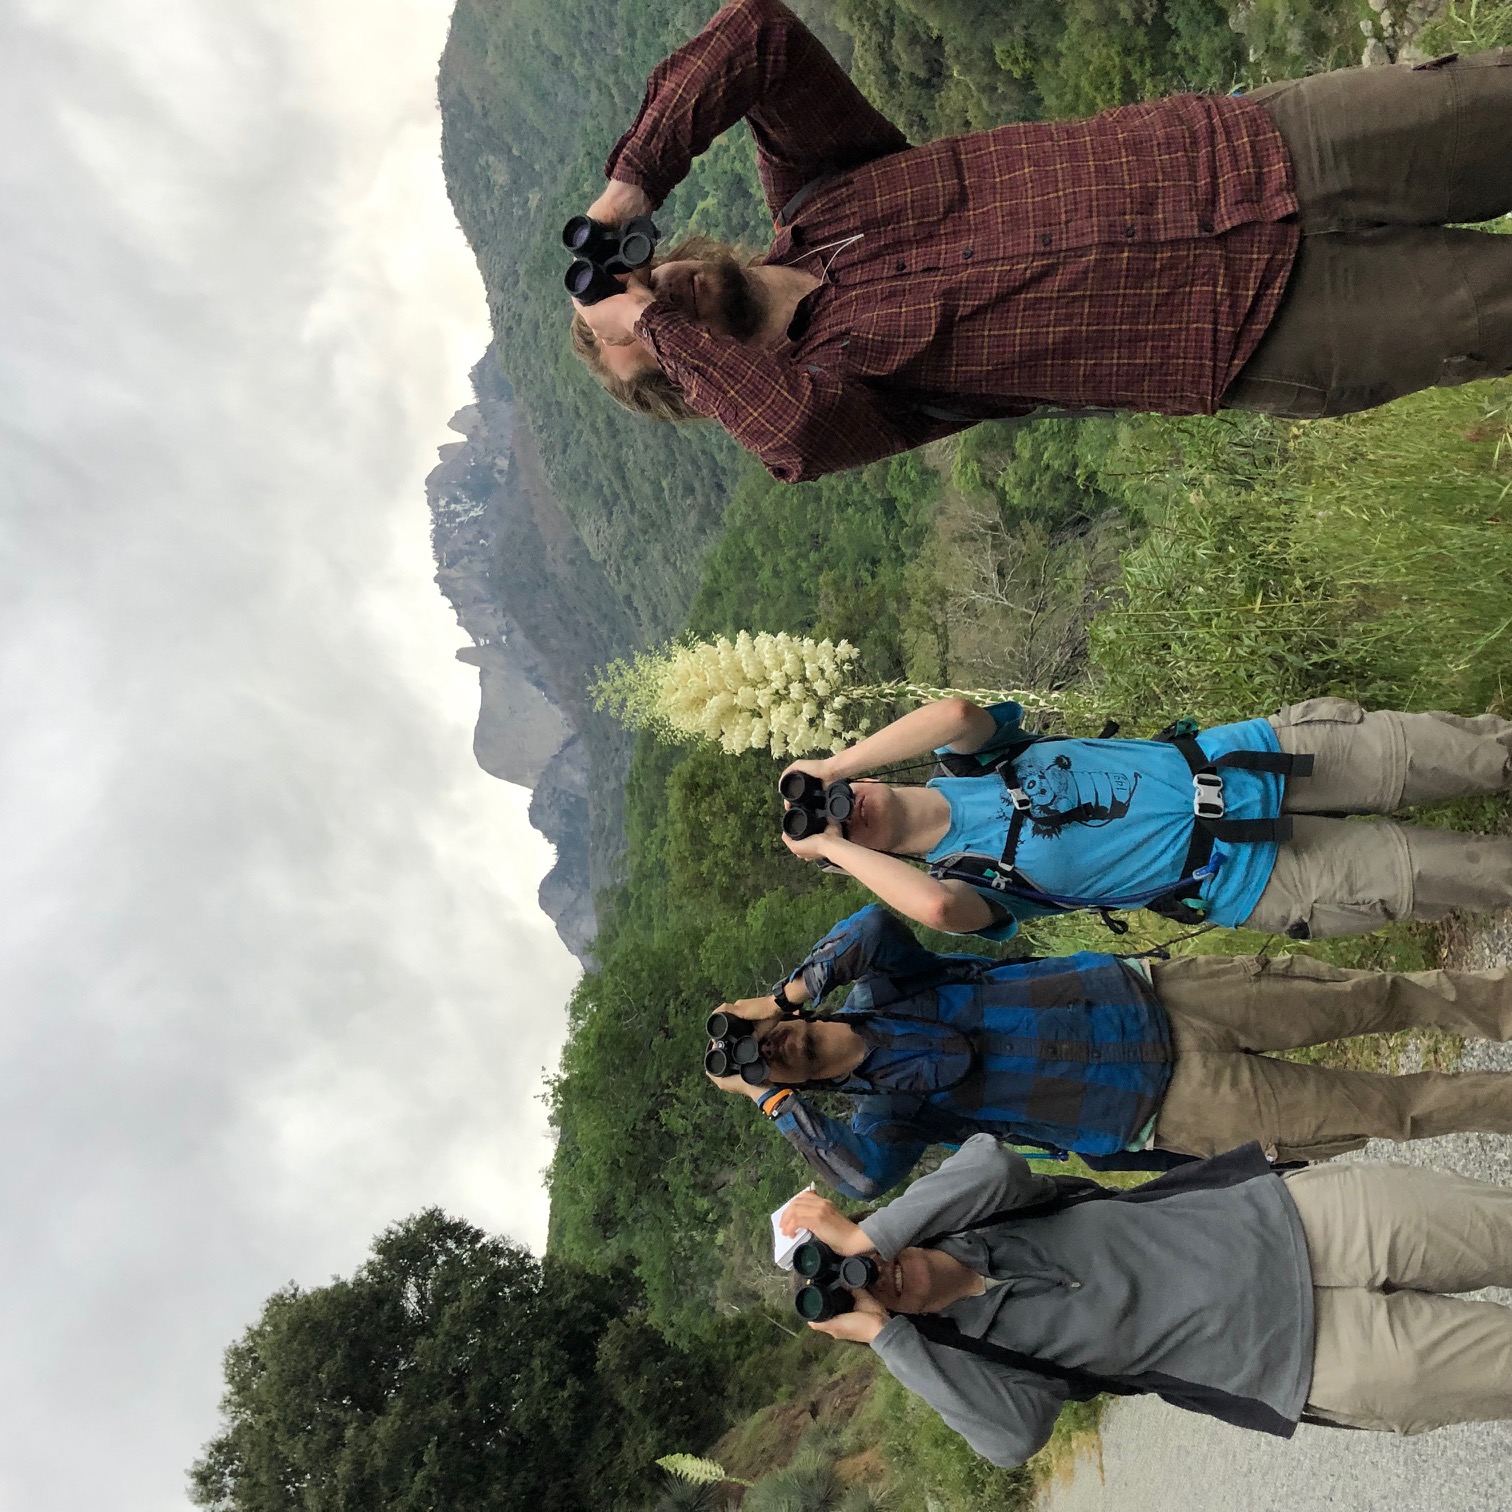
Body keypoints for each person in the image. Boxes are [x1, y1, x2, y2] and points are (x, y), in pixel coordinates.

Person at [569, 0, 1512, 482]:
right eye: (642, 320)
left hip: (1250, 150)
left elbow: (758, 34)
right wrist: (652, 328)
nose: (656, 287)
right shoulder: (843, 400)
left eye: (644, 275)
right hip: (1263, 331)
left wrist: (628, 189)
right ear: (684, 375)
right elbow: (796, 434)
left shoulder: (825, 188)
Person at [776, 1135, 1512, 1464]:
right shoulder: (964, 1362)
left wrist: (868, 1239)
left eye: (854, 1265)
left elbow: (993, 1157)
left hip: (1301, 1220)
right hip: (1310, 1360)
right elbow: (1013, 1443)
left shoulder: (978, 1212)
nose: (871, 1278)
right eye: (855, 1289)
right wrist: (887, 1336)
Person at [708, 903, 1512, 1197]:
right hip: (1167, 1110)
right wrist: (771, 1102)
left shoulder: (888, 985)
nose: (765, 1047)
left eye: (751, 1035)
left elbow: (872, 925)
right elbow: (859, 1179)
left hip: (1160, 997)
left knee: (1376, 998)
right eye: (756, 1059)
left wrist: (781, 998)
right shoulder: (888, 1116)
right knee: (1392, 1111)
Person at [777, 694, 1512, 944]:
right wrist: (833, 848)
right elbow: (936, 910)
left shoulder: (974, 760)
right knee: (1474, 873)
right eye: (840, 820)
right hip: (1255, 878)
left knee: (1476, 755)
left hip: (1256, 758)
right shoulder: (966, 879)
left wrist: (830, 770)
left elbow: (956, 714)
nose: (848, 811)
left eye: (845, 794)